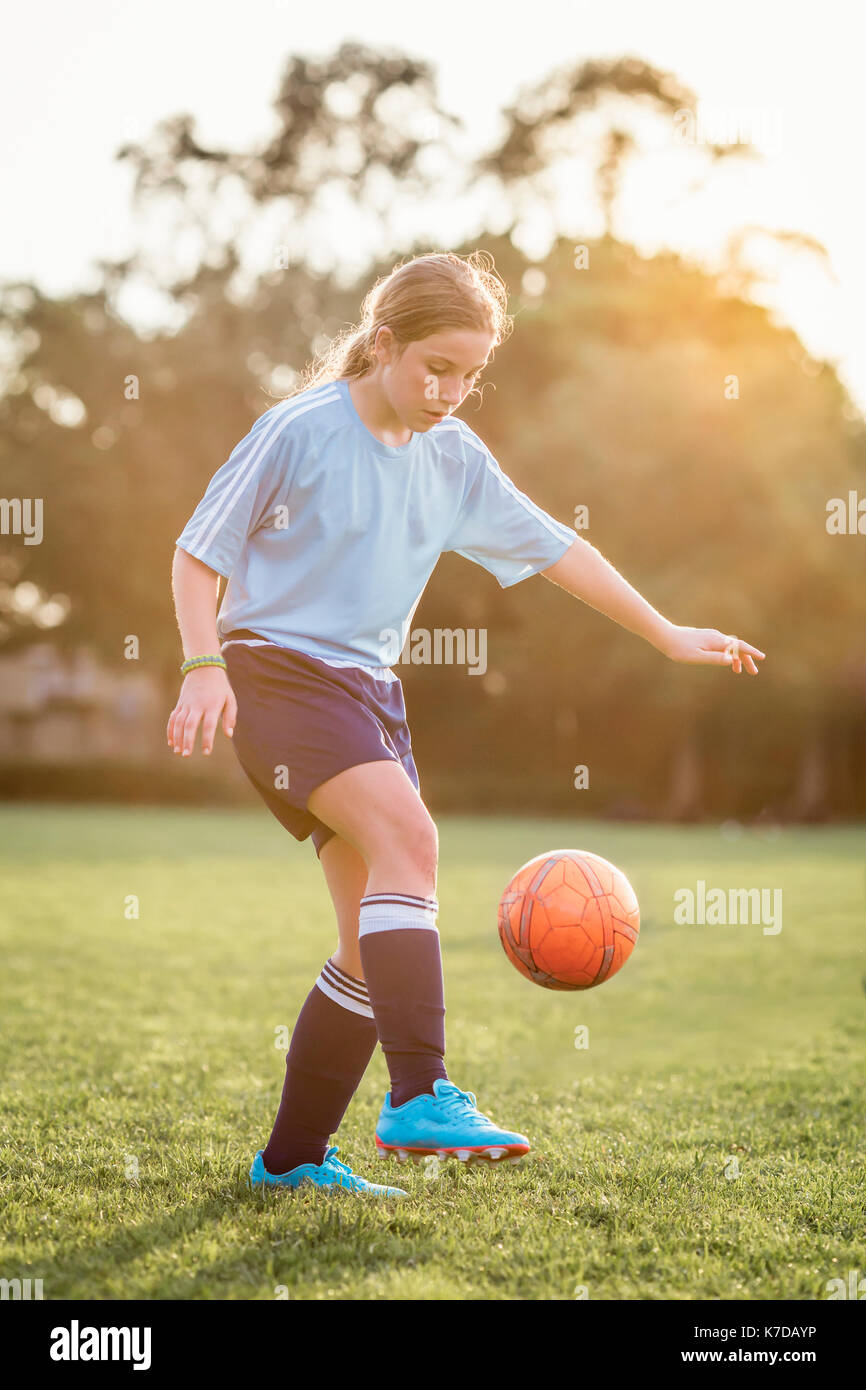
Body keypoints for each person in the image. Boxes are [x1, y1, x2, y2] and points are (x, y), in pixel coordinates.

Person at [167, 250, 765, 1198]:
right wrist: (203, 667)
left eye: (470, 375)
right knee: (413, 841)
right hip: (277, 675)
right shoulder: (299, 431)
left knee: (368, 946)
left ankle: (289, 1162)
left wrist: (664, 633)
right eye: (435, 368)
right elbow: (198, 555)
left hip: (371, 695)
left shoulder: (452, 458)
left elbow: (558, 547)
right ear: (384, 343)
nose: (450, 391)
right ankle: (420, 1092)